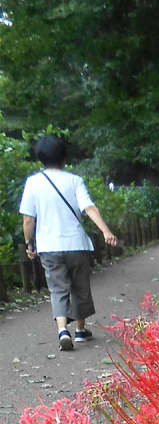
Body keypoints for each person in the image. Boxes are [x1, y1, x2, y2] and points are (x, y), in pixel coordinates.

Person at [19, 135, 118, 351]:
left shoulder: (33, 183)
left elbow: (28, 219)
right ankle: (81, 330)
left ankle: (63, 330)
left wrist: (29, 243)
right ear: (64, 156)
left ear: (41, 158)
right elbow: (89, 207)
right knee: (79, 286)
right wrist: (105, 230)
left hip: (49, 246)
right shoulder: (74, 180)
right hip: (76, 243)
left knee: (57, 288)